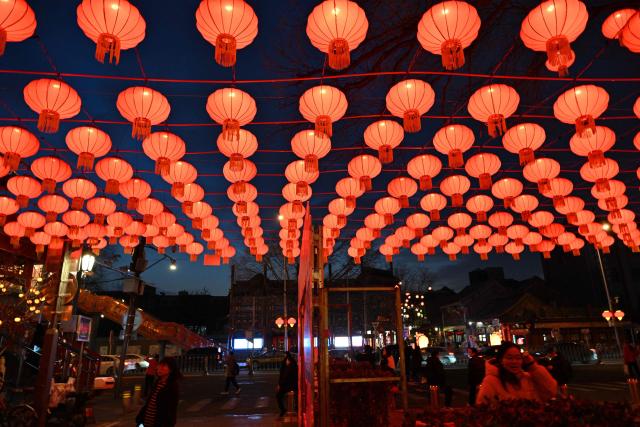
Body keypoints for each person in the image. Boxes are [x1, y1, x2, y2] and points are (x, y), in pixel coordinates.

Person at [476, 342, 557, 405]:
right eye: (509, 358)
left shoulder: (526, 377)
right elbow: (482, 411)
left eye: (518, 358)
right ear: (501, 360)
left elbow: (551, 392)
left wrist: (533, 366)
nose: (514, 361)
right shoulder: (491, 381)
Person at [136, 357, 180, 427]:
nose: (160, 369)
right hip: (146, 422)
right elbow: (150, 403)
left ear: (171, 369)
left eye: (164, 366)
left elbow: (169, 410)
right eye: (159, 366)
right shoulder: (158, 383)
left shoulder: (171, 387)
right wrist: (140, 418)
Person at [276, 352, 298, 418]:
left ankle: (285, 410)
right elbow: (282, 376)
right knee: (278, 396)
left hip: (290, 385)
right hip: (288, 385)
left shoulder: (291, 365)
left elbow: (285, 377)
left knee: (279, 395)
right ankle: (284, 409)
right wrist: (279, 384)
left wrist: (280, 385)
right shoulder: (286, 364)